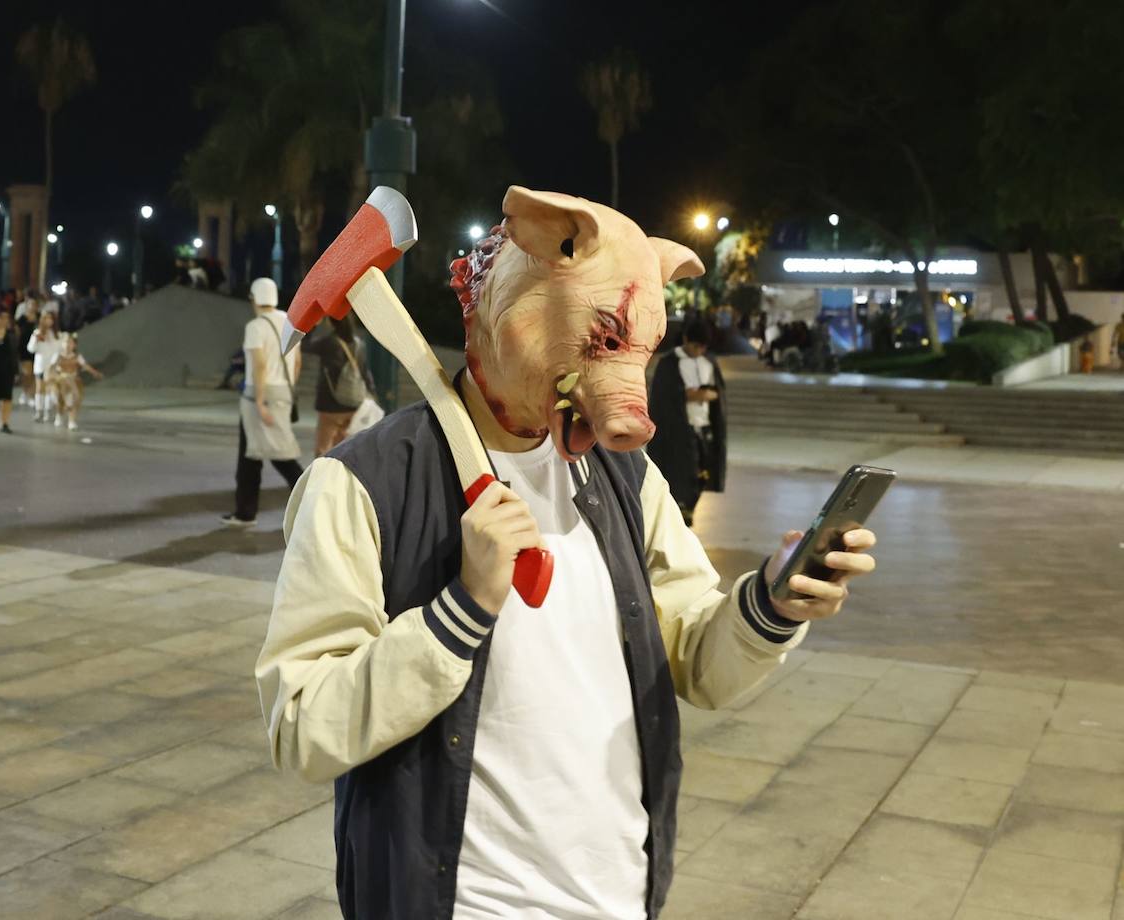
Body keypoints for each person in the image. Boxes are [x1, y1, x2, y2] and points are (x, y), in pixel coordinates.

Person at [257, 187, 880, 920]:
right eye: (601, 342)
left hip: (618, 895)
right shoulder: (361, 484)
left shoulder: (624, 474)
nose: (628, 390)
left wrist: (771, 602)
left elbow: (697, 657)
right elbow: (302, 724)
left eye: (636, 352)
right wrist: (458, 612)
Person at [221, 277, 302, 528]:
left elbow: (258, 364)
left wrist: (259, 401)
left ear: (255, 299)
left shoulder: (256, 327)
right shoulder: (289, 320)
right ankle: (245, 512)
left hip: (259, 394)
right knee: (251, 456)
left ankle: (313, 499)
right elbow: (297, 362)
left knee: (282, 457)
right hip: (283, 392)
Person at [646, 320, 726, 528]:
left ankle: (688, 510)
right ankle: (678, 514)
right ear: (685, 340)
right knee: (681, 473)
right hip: (678, 430)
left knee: (703, 472)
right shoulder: (669, 363)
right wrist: (692, 395)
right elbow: (665, 396)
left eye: (703, 347)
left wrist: (699, 395)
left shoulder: (708, 363)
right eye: (695, 346)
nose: (699, 351)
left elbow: (717, 393)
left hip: (704, 428)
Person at [313, 313, 373, 455]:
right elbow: (365, 373)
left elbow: (305, 345)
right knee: (341, 450)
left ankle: (322, 476)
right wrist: (371, 394)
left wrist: (314, 324)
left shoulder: (330, 342)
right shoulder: (359, 344)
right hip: (353, 404)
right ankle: (340, 476)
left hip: (330, 406)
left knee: (323, 450)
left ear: (330, 322)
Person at [43, 333, 103, 429]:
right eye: (66, 342)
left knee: (73, 399)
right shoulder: (58, 356)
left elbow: (85, 366)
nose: (68, 345)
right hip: (60, 381)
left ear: (74, 345)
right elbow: (51, 367)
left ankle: (72, 420)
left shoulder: (77, 356)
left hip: (73, 380)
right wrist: (50, 377)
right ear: (62, 344)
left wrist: (95, 373)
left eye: (70, 343)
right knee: (59, 399)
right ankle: (59, 415)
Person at [27, 311, 62, 423]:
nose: (49, 321)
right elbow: (31, 349)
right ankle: (39, 411)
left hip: (52, 366)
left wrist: (54, 363)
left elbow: (59, 349)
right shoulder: (37, 332)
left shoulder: (56, 334)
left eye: (50, 318)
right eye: (46, 318)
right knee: (39, 388)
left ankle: (47, 411)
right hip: (40, 365)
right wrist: (36, 340)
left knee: (49, 389)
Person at [14, 291, 39, 406]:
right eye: (30, 304)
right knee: (26, 372)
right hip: (24, 347)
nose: (32, 307)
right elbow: (17, 333)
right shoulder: (22, 319)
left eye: (35, 304)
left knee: (35, 372)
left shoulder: (39, 318)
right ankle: (25, 392)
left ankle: (32, 394)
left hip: (37, 348)